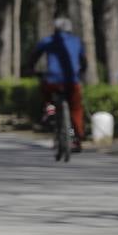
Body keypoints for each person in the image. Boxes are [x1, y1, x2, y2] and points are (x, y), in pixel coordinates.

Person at [31, 17, 88, 153]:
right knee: (76, 109)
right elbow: (84, 62)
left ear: (55, 29)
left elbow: (34, 57)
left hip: (52, 81)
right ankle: (76, 138)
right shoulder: (76, 41)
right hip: (72, 82)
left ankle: (50, 110)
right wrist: (80, 72)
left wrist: (31, 69)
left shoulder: (47, 41)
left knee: (46, 93)